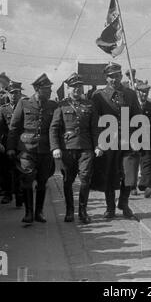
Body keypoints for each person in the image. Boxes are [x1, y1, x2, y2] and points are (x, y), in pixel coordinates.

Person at [90, 63, 142, 219]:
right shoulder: (98, 96)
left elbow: (138, 118)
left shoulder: (130, 94)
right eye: (111, 76)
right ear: (106, 78)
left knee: (130, 174)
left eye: (117, 75)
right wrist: (98, 143)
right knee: (109, 174)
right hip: (108, 141)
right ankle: (110, 207)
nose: (115, 79)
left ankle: (124, 203)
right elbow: (94, 121)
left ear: (121, 76)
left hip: (128, 140)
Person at [7, 73, 57, 223]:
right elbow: (14, 128)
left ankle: (39, 212)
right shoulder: (24, 103)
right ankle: (28, 212)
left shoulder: (53, 105)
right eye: (47, 89)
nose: (50, 92)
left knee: (42, 181)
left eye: (50, 89)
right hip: (27, 149)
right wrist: (10, 147)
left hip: (45, 150)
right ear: (37, 89)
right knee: (27, 178)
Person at [50, 73, 99, 223]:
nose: (77, 89)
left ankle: (83, 211)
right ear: (68, 88)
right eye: (74, 87)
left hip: (86, 148)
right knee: (68, 180)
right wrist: (55, 148)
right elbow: (54, 128)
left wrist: (98, 145)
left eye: (79, 86)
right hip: (67, 148)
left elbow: (95, 129)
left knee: (85, 179)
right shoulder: (62, 105)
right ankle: (70, 211)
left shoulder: (90, 105)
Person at [0, 81, 25, 206]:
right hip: (7, 144)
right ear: (8, 94)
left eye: (16, 93)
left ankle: (19, 195)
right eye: (11, 93)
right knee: (6, 170)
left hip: (22, 143)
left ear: (20, 93)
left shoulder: (25, 106)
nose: (14, 96)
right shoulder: (3, 109)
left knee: (21, 171)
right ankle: (7, 194)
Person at [134, 81, 151, 198]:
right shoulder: (131, 106)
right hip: (132, 139)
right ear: (137, 92)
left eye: (146, 92)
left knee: (147, 162)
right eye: (142, 92)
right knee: (132, 163)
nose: (144, 94)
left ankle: (147, 186)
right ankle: (131, 186)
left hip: (147, 139)